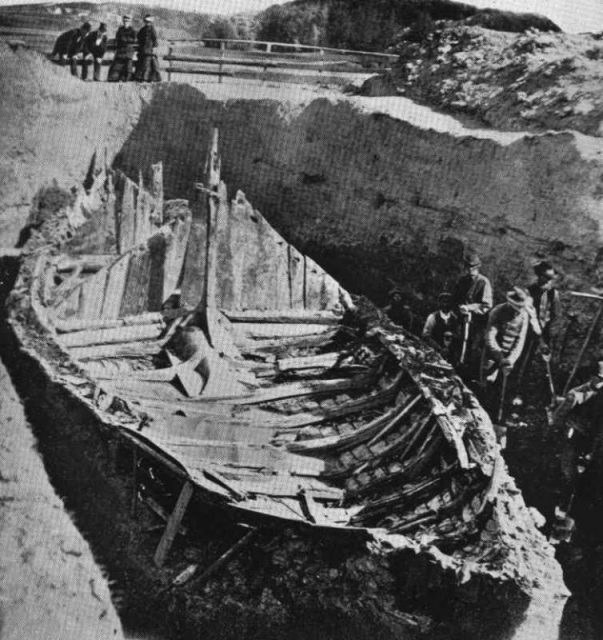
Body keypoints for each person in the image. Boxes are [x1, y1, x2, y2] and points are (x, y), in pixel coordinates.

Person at [552, 349, 603, 527]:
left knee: (579, 480)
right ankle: (559, 513)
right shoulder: (580, 393)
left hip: (591, 442)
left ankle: (566, 519)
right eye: (599, 377)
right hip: (575, 437)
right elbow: (560, 415)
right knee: (568, 474)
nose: (599, 382)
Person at [481, 287, 543, 384]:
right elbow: (490, 337)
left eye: (521, 307)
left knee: (502, 386)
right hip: (492, 353)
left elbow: (520, 340)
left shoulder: (524, 315)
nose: (519, 310)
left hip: (510, 356)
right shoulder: (498, 311)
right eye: (517, 306)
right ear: (510, 303)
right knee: (485, 381)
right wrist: (500, 356)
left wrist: (510, 359)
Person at [451, 252, 493, 371]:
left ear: (477, 267)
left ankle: (466, 372)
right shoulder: (463, 281)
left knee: (472, 348)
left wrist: (470, 308)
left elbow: (487, 305)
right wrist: (458, 308)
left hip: (476, 324)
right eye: (468, 267)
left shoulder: (483, 282)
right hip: (460, 320)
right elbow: (455, 298)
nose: (470, 270)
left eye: (473, 267)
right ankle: (455, 366)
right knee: (457, 344)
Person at [528, 260, 561, 346]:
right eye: (546, 278)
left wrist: (549, 335)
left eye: (551, 279)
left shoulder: (553, 294)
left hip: (542, 333)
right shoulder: (530, 290)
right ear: (539, 276)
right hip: (526, 328)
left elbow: (556, 315)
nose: (549, 282)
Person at [422, 292, 459, 363]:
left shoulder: (454, 318)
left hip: (449, 354)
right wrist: (439, 348)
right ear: (440, 303)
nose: (445, 305)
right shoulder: (433, 317)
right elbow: (425, 335)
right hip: (434, 351)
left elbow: (457, 334)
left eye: (448, 302)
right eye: (443, 302)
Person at [108, 15, 137, 82]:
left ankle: (126, 79)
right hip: (120, 52)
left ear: (130, 22)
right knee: (114, 71)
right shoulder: (120, 29)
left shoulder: (132, 30)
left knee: (128, 69)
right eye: (124, 21)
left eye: (127, 21)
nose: (125, 22)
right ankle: (116, 78)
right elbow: (117, 39)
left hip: (128, 52)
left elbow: (133, 40)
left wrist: (124, 39)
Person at [135, 14, 161, 82]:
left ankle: (146, 79)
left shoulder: (152, 29)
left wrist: (154, 49)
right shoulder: (142, 29)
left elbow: (155, 40)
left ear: (151, 22)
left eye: (149, 22)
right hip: (142, 50)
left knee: (147, 66)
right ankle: (140, 78)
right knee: (141, 65)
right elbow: (138, 36)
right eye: (146, 21)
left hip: (149, 51)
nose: (147, 23)